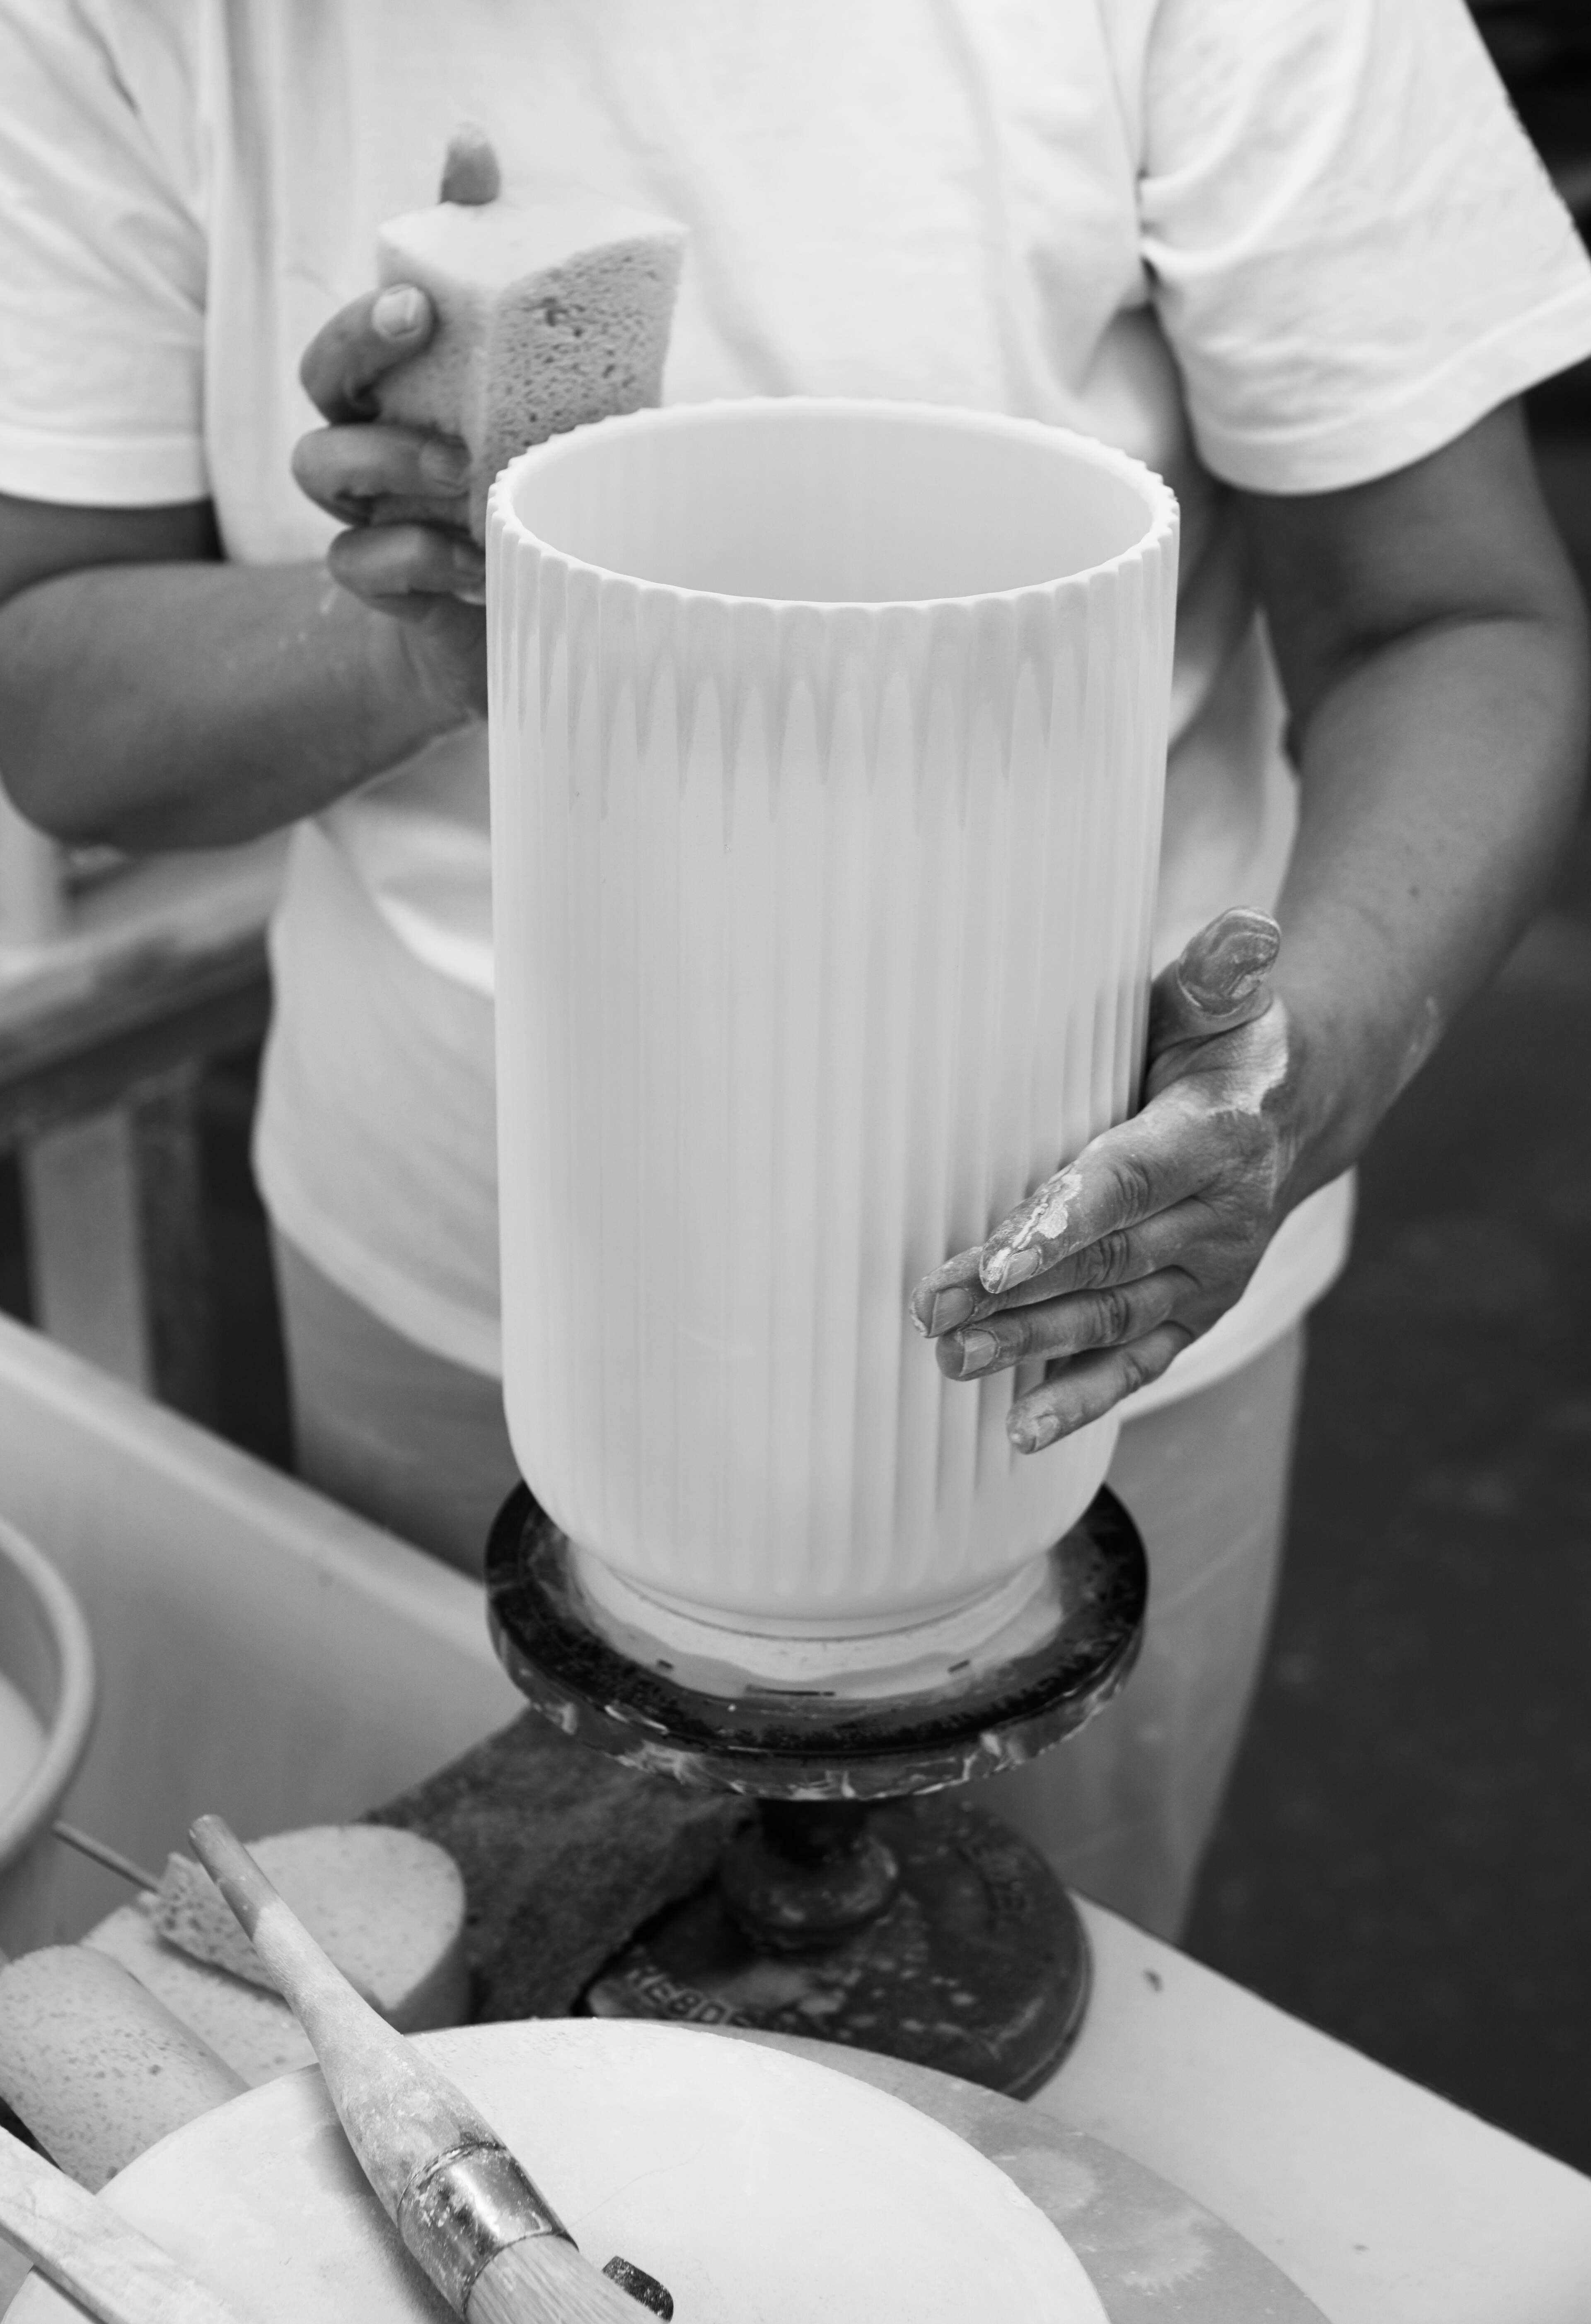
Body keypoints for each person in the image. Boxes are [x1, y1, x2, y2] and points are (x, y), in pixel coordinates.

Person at [0, 0, 1587, 1940]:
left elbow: (1461, 618)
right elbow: (52, 685)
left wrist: (1290, 1077)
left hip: (1073, 1332)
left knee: (1045, 2091)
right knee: (513, 2023)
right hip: (447, 1289)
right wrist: (447, 626)